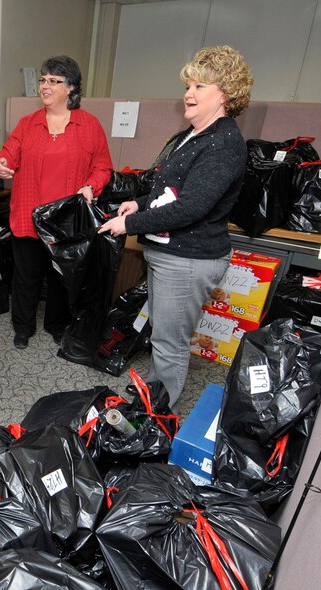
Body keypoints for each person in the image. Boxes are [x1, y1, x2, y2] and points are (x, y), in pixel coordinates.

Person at [99, 45, 254, 407]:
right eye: (189, 85)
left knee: (170, 341)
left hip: (187, 259)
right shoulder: (193, 134)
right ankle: (152, 394)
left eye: (201, 86)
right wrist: (139, 202)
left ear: (225, 95)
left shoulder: (223, 144)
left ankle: (157, 415)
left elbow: (191, 207)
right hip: (168, 252)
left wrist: (130, 223)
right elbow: (169, 188)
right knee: (163, 334)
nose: (189, 93)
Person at [0, 55, 112, 350]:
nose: (45, 86)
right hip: (29, 215)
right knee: (26, 277)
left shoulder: (89, 125)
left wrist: (90, 186)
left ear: (71, 88)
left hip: (66, 220)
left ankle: (56, 325)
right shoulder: (27, 125)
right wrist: (0, 165)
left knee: (60, 278)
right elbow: (2, 159)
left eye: (54, 81)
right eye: (43, 79)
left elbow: (103, 167)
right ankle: (22, 327)